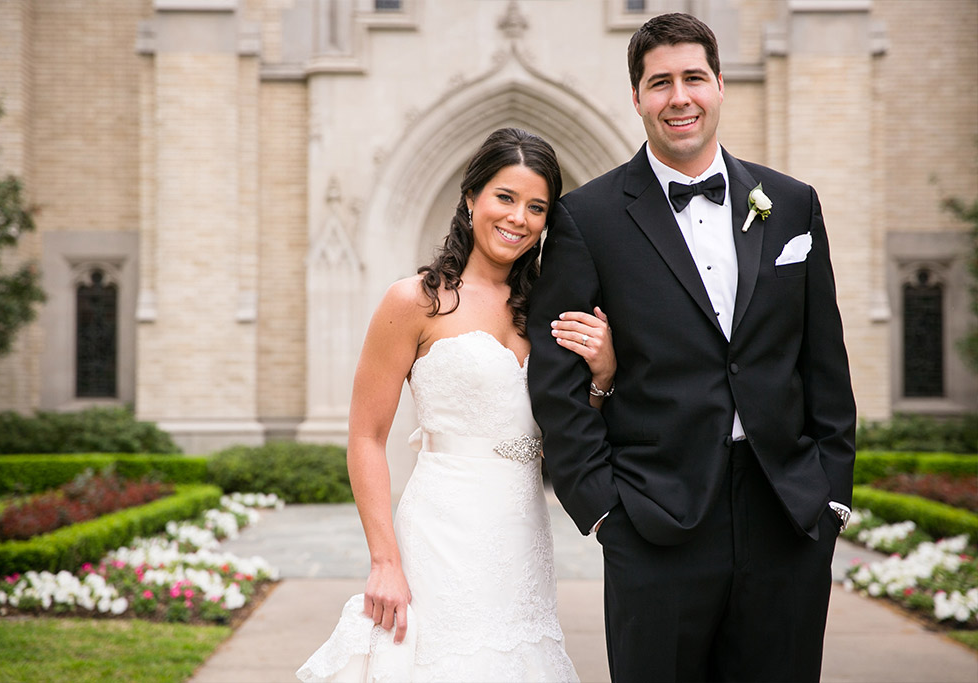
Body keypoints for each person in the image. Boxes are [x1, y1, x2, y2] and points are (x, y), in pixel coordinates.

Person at [527, 12, 856, 683]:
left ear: (719, 85)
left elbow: (825, 362)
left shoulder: (792, 204)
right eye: (660, 82)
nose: (679, 97)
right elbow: (557, 382)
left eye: (693, 78)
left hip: (786, 519)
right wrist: (603, 513)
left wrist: (830, 498)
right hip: (653, 525)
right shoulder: (585, 220)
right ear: (637, 97)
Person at [296, 127, 616, 683]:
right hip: (441, 531)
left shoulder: (546, 309)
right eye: (505, 197)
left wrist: (604, 373)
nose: (518, 218)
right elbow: (366, 437)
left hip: (523, 533)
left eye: (536, 207)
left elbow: (572, 425)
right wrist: (385, 561)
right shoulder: (415, 301)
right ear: (471, 199)